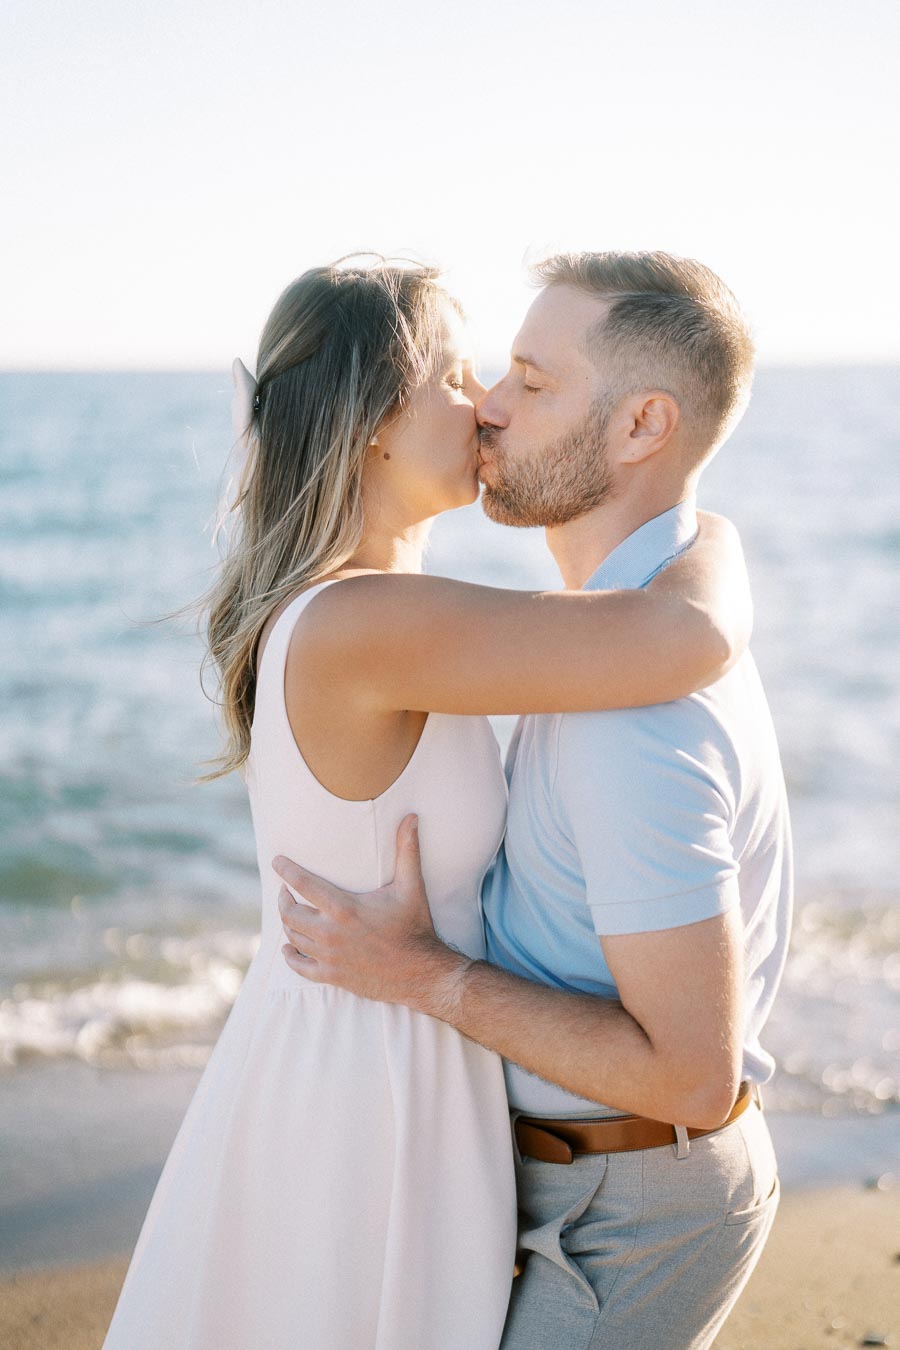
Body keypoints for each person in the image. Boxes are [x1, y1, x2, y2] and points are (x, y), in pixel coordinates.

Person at [102, 256, 753, 1350]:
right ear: (372, 426)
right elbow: (680, 639)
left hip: (385, 1054)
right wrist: (716, 532)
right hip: (367, 1086)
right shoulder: (361, 626)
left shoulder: (373, 617)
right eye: (456, 376)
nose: (489, 403)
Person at [274, 252, 793, 1349]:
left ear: (643, 425)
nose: (492, 411)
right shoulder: (604, 643)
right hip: (575, 1183)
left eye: (530, 381)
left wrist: (431, 979)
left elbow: (695, 1076)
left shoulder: (633, 708)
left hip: (623, 1203)